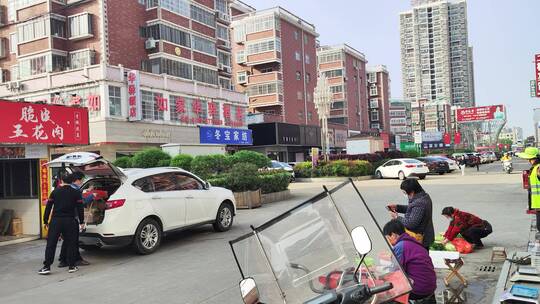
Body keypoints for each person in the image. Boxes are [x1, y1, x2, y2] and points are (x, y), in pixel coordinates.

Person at [39, 174, 85, 275]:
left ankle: (47, 267)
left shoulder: (55, 192)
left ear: (61, 181)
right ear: (72, 181)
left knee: (51, 244)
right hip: (70, 220)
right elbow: (80, 208)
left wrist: (45, 220)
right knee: (71, 243)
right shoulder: (76, 192)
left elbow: (48, 207)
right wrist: (81, 221)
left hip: (56, 221)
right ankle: (72, 266)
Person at [383, 220, 437, 303]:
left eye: (388, 237)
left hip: (419, 289)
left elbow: (394, 272)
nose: (388, 241)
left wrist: (380, 276)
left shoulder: (400, 246)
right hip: (430, 286)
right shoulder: (412, 242)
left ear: (393, 235)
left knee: (385, 294)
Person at [58, 172, 93, 267]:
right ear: (77, 180)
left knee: (67, 240)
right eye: (81, 181)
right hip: (72, 218)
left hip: (61, 219)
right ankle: (76, 259)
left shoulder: (60, 189)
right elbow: (82, 203)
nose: (81, 182)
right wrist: (92, 195)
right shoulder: (75, 190)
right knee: (73, 240)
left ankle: (63, 260)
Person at [387, 178, 434, 249]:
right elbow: (413, 210)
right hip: (424, 235)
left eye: (405, 193)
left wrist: (397, 217)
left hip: (419, 238)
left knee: (420, 258)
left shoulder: (419, 203)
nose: (405, 194)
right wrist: (397, 207)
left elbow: (411, 223)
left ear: (412, 191)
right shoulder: (423, 196)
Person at [517, 147, 540, 231]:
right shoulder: (535, 168)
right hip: (538, 205)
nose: (527, 160)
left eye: (528, 158)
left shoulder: (538, 168)